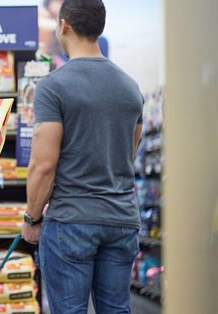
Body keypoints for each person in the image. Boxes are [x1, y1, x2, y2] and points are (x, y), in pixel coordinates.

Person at [21, 0, 144, 313]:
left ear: (63, 26)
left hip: (71, 219)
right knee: (116, 309)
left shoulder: (54, 86)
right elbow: (128, 154)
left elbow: (43, 165)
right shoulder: (131, 88)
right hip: (122, 219)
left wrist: (32, 217)